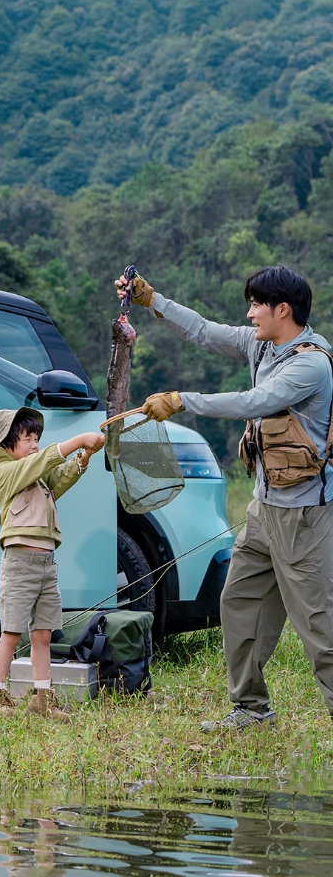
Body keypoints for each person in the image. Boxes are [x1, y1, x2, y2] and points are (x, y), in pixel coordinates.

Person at [115, 265, 333, 730]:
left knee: (319, 625)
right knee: (238, 602)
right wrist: (151, 299)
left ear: (283, 310)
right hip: (263, 510)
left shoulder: (311, 364)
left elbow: (255, 402)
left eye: (256, 305)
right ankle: (251, 709)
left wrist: (182, 400)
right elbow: (202, 330)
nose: (250, 314)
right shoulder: (262, 344)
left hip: (304, 517)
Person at [0, 406, 105, 721]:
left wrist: (83, 457)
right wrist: (78, 440)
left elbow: (57, 479)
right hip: (19, 565)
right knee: (11, 632)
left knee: (43, 634)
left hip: (47, 566)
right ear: (6, 444)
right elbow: (41, 463)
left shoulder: (36, 475)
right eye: (28, 439)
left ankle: (42, 697)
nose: (35, 445)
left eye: (37, 439)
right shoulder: (5, 472)